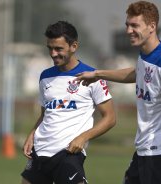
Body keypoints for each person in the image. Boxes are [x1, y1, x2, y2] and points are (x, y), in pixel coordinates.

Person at [75, 1, 161, 184]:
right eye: (127, 25)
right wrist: (98, 74)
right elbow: (136, 73)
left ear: (152, 27)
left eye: (135, 25)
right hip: (144, 149)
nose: (128, 31)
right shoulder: (146, 55)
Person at [20, 21, 116, 184]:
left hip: (68, 153)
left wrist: (83, 137)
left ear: (74, 46)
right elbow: (46, 114)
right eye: (50, 48)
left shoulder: (92, 77)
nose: (53, 53)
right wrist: (32, 133)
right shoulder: (45, 76)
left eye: (59, 49)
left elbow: (110, 118)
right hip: (40, 151)